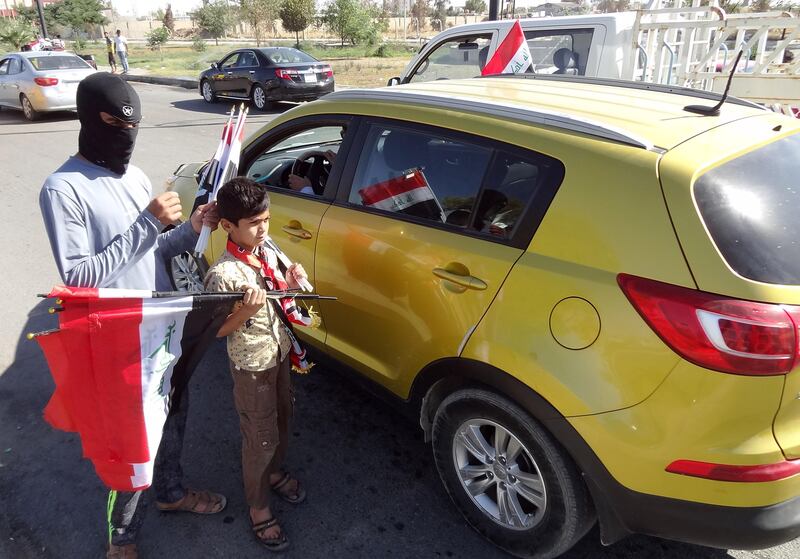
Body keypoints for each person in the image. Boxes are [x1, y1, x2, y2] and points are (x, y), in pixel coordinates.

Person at [39, 72, 226, 559]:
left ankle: (170, 493)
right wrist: (147, 221)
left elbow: (157, 252)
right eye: (116, 126)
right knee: (129, 442)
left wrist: (190, 227)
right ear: (91, 121)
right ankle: (120, 539)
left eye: (134, 127)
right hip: (115, 338)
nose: (127, 136)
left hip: (160, 327)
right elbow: (80, 279)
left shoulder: (136, 176)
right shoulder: (63, 189)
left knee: (174, 416)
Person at [204, 178, 309, 552]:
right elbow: (217, 331)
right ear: (229, 226)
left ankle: (275, 472)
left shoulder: (268, 250)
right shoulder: (223, 274)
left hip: (278, 352)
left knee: (282, 418)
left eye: (266, 218)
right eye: (253, 222)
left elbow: (283, 296)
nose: (263, 228)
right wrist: (246, 309)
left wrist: (293, 283)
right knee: (260, 435)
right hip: (252, 366)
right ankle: (258, 506)